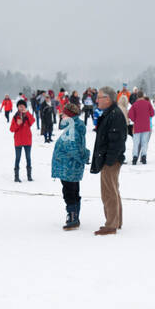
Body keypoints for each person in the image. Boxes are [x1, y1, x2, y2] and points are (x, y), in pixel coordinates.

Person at [90, 86, 126, 236]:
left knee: (109, 192)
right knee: (113, 190)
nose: (96, 100)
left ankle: (111, 225)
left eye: (99, 97)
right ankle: (116, 221)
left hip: (110, 160)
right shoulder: (110, 113)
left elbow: (116, 141)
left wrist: (109, 160)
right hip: (108, 158)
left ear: (108, 99)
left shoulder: (115, 114)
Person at [51, 101, 90, 230]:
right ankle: (75, 216)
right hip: (71, 167)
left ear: (69, 116)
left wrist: (83, 157)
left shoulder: (71, 129)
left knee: (69, 192)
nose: (61, 117)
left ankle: (72, 216)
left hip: (68, 167)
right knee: (73, 191)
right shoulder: (73, 127)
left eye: (63, 115)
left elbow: (74, 149)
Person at [10, 100, 34, 181]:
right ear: (17, 107)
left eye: (23, 106)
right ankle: (16, 177)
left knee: (28, 158)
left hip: (27, 140)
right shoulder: (15, 116)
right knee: (18, 158)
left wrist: (27, 113)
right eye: (20, 106)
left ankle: (29, 176)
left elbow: (32, 121)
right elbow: (11, 129)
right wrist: (17, 124)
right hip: (18, 141)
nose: (21, 107)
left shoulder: (27, 115)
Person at [128, 91, 155, 165]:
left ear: (137, 96)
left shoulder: (134, 104)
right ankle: (143, 157)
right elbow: (152, 113)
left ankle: (134, 157)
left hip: (137, 126)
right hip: (146, 126)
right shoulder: (148, 104)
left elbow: (130, 114)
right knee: (144, 142)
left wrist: (135, 119)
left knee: (136, 143)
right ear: (143, 96)